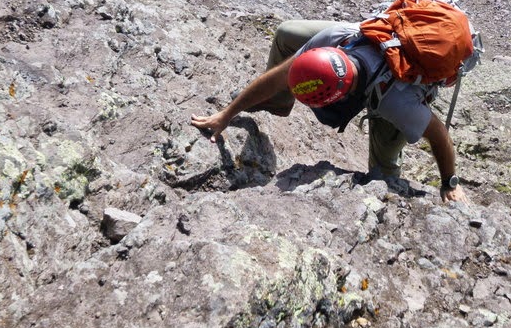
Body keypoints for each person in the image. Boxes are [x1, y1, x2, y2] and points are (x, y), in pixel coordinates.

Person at [191, 18, 470, 204]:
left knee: (383, 169)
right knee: (287, 33)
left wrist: (449, 182)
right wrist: (226, 114)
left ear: (339, 98)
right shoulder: (334, 40)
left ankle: (388, 178)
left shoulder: (397, 104)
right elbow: (278, 76)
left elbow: (439, 135)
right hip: (376, 42)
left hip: (400, 80)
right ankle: (278, 103)